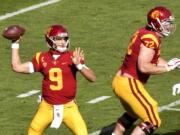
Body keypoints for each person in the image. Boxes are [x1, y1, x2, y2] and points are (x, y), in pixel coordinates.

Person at [10, 24, 96, 135]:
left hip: (69, 107)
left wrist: (79, 65)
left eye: (64, 38)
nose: (63, 42)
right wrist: (15, 44)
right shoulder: (41, 58)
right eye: (58, 39)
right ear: (49, 41)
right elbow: (17, 67)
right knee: (33, 131)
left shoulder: (73, 56)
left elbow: (92, 78)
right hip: (47, 106)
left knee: (82, 133)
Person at [111, 6, 180, 135]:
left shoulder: (144, 32)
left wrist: (173, 64)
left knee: (132, 114)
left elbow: (153, 59)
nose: (169, 27)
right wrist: (167, 67)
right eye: (166, 24)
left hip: (120, 81)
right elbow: (143, 67)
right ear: (156, 24)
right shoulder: (151, 38)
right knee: (153, 120)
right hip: (129, 83)